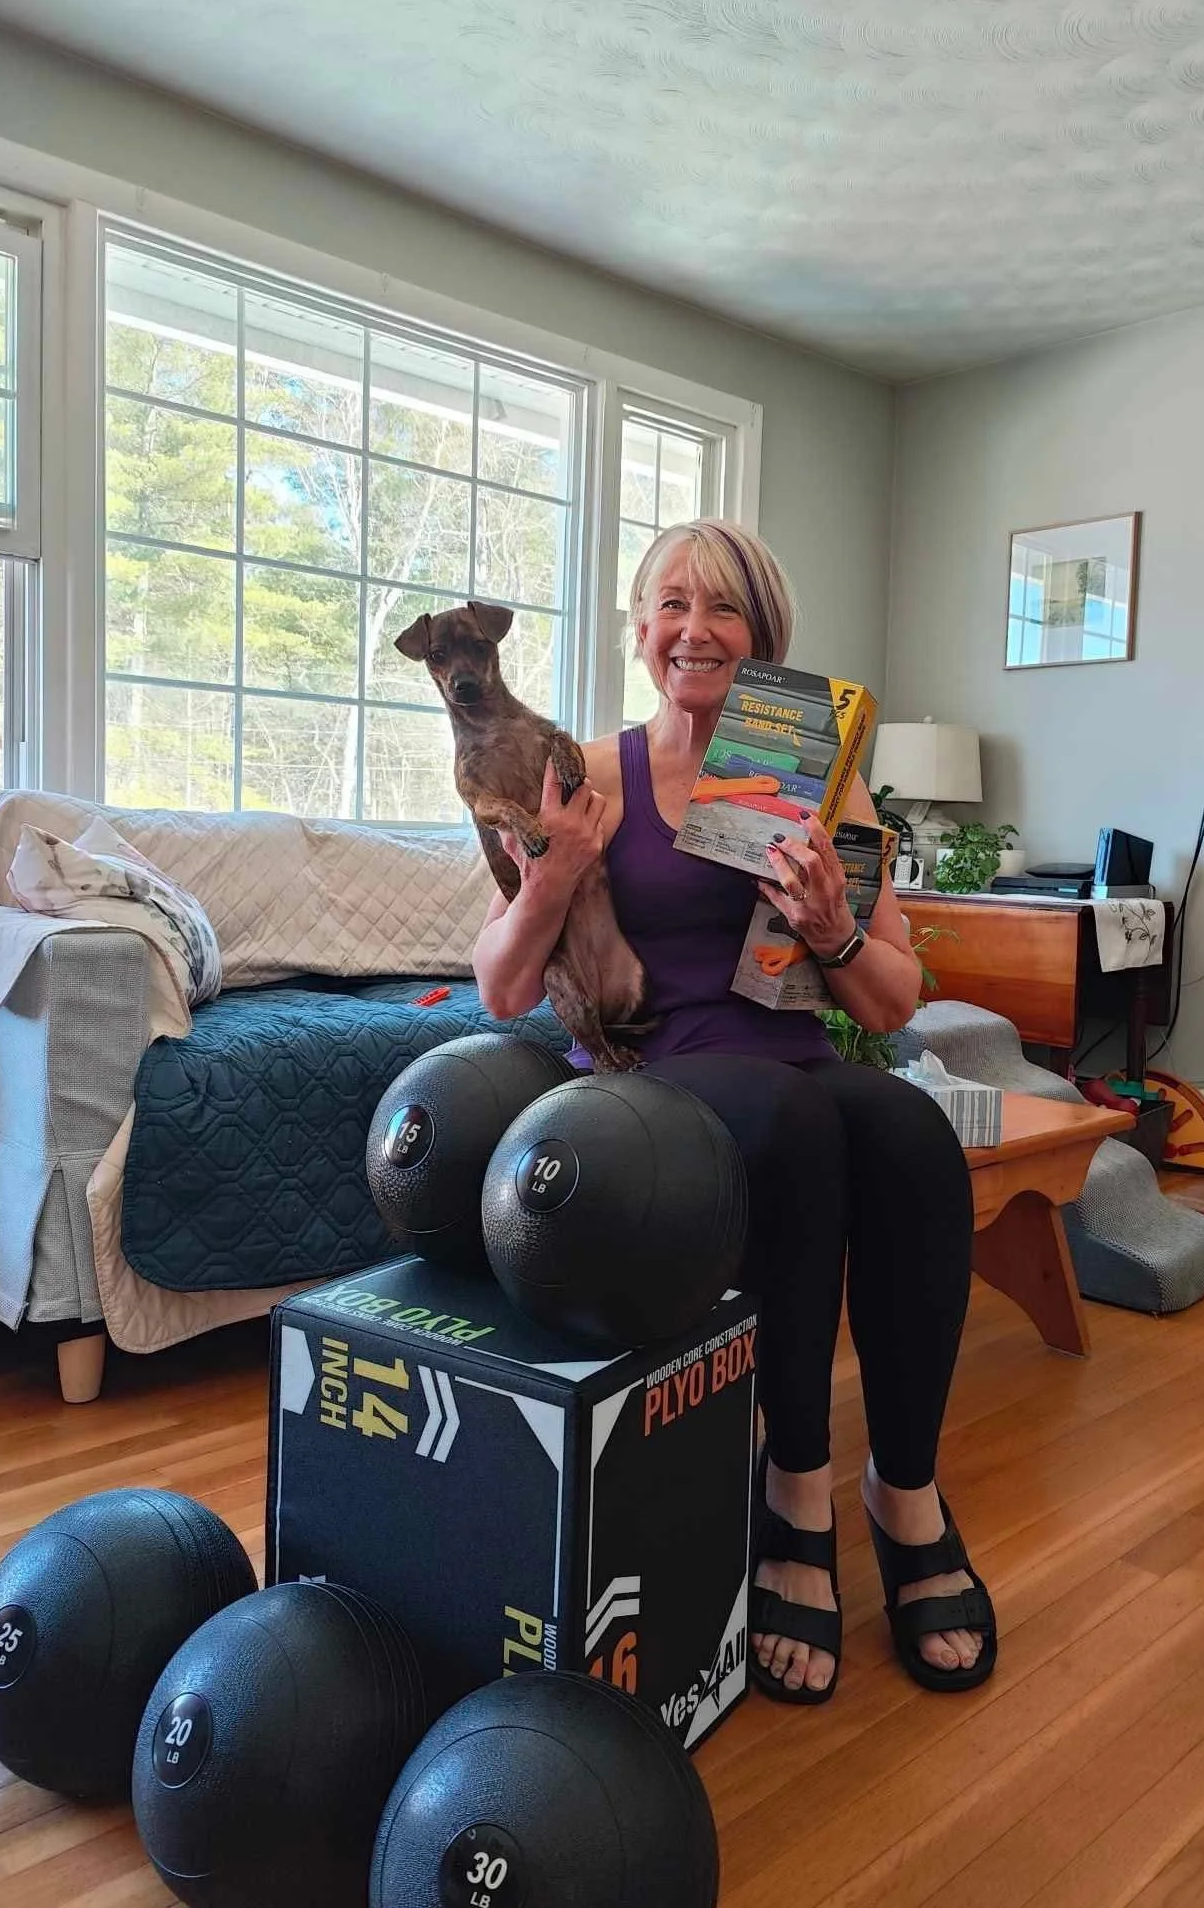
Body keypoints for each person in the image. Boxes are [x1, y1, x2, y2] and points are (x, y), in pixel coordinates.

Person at [473, 519, 994, 1703]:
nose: (692, 630)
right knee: (792, 1121)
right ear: (639, 627)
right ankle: (795, 1483)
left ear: (762, 637)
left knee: (912, 1134)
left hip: (791, 1055)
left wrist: (833, 927)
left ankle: (902, 1488)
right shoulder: (587, 771)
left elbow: (896, 993)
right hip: (648, 1074)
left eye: (722, 610)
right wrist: (555, 868)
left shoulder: (823, 775)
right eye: (668, 604)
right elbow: (502, 985)